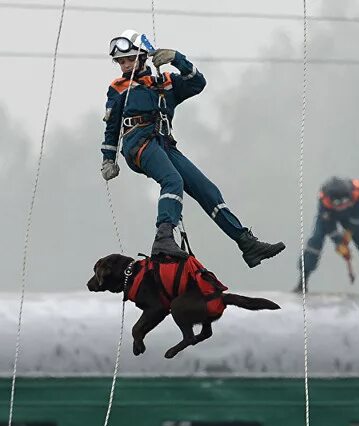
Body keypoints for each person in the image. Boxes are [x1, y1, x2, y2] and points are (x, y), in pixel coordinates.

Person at [100, 30, 285, 267]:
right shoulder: (118, 88)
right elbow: (112, 127)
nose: (125, 65)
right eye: (121, 61)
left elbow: (197, 83)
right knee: (172, 181)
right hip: (137, 143)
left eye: (129, 59)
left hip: (164, 143)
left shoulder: (164, 83)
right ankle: (163, 238)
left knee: (206, 189)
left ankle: (246, 243)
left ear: (143, 57)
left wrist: (177, 58)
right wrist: (108, 159)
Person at [294, 176, 359, 296]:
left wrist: (349, 233)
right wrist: (339, 242)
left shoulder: (357, 193)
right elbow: (328, 225)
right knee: (315, 243)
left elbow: (357, 215)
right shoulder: (324, 201)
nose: (343, 205)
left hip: (353, 217)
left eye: (345, 202)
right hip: (329, 217)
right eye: (339, 203)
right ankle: (302, 284)